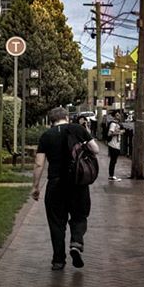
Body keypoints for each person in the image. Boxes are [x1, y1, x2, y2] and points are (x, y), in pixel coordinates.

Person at [31, 106, 99, 270]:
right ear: (67, 117)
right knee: (79, 215)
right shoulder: (78, 129)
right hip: (77, 183)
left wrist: (36, 187)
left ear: (51, 120)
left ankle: (58, 260)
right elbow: (95, 149)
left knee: (56, 222)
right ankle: (76, 242)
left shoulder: (46, 136)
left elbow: (39, 163)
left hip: (55, 184)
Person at [106, 110, 123, 181]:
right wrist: (119, 132)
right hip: (113, 144)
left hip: (116, 144)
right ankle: (111, 175)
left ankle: (111, 175)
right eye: (117, 115)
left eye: (119, 115)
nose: (118, 116)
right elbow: (109, 134)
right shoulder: (113, 124)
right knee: (113, 161)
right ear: (114, 116)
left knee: (114, 161)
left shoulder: (117, 123)